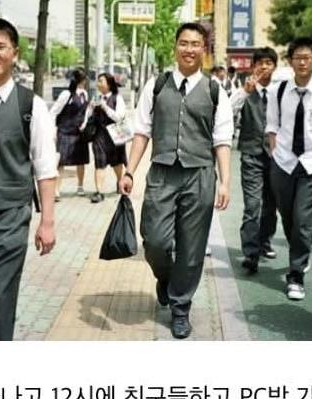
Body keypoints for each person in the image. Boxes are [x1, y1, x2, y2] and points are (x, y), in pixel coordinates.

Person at [119, 22, 233, 339]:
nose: (189, 49)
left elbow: (222, 139)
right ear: (175, 47)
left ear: (204, 50)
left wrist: (225, 181)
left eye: (195, 44)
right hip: (162, 173)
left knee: (191, 248)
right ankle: (166, 278)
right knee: (154, 240)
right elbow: (142, 131)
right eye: (184, 43)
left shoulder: (215, 91)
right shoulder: (156, 85)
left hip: (200, 176)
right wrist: (129, 170)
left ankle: (181, 308)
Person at [0, 18, 57, 340]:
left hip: (8, 219)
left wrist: (47, 222)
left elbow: (45, 167)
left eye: (0, 47)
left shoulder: (31, 106)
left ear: (15, 53)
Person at [266, 37, 312, 300]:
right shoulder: (277, 91)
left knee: (303, 221)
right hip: (283, 162)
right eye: (297, 58)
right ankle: (299, 252)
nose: (302, 62)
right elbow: (272, 126)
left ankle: (296, 274)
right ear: (290, 61)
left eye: (307, 58)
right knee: (288, 218)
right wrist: (275, 151)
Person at [231, 47, 278, 274]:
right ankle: (250, 253)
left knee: (270, 206)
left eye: (269, 63)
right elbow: (228, 111)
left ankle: (265, 241)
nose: (264, 67)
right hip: (251, 155)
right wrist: (244, 92)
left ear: (274, 67)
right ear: (253, 67)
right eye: (260, 63)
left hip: (277, 157)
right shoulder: (245, 90)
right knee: (252, 206)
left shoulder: (280, 92)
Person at [50, 68, 89, 200]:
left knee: (81, 160)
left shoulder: (84, 94)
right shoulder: (66, 94)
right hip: (65, 131)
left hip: (79, 132)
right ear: (81, 80)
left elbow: (85, 112)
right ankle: (56, 190)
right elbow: (53, 112)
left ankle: (80, 186)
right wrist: (53, 130)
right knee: (61, 162)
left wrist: (84, 124)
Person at [88, 72, 126, 203]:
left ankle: (120, 183)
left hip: (115, 135)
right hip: (99, 135)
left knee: (117, 162)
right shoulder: (96, 98)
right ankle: (99, 191)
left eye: (101, 81)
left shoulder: (117, 98)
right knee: (99, 163)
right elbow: (88, 116)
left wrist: (105, 108)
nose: (98, 84)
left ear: (109, 84)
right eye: (98, 81)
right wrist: (90, 108)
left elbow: (119, 117)